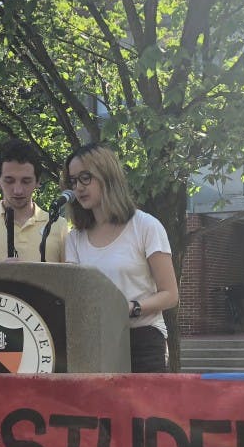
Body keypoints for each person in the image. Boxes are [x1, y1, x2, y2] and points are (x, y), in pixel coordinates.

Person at [61, 143, 179, 372]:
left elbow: (170, 295)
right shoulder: (75, 238)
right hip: (95, 343)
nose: (79, 188)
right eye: (73, 181)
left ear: (107, 175)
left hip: (143, 340)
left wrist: (131, 307)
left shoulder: (146, 226)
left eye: (86, 178)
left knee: (146, 409)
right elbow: (74, 296)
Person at [0, 139, 68, 263]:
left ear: (38, 181)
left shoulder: (58, 226)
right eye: (9, 181)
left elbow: (69, 280)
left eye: (26, 181)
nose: (18, 190)